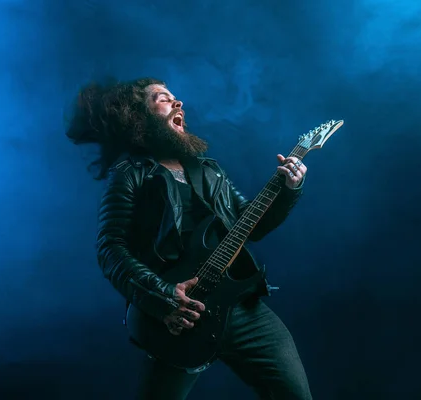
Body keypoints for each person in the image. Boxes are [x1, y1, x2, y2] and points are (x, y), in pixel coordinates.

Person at [66, 77, 312, 399]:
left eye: (176, 98)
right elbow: (110, 247)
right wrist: (163, 297)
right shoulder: (131, 173)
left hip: (240, 307)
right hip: (178, 315)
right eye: (163, 98)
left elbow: (250, 224)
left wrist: (288, 190)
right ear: (139, 116)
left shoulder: (209, 169)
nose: (178, 103)